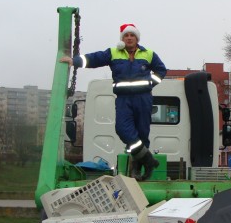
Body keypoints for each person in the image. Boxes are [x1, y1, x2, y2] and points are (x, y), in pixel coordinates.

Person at [60, 23, 167, 181]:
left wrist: (150, 83)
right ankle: (148, 160)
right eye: (126, 35)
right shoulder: (113, 53)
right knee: (122, 129)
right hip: (124, 98)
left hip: (143, 98)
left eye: (132, 35)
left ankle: (138, 168)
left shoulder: (149, 54)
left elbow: (161, 70)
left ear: (137, 38)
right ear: (122, 38)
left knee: (142, 133)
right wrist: (74, 61)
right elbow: (93, 59)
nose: (129, 38)